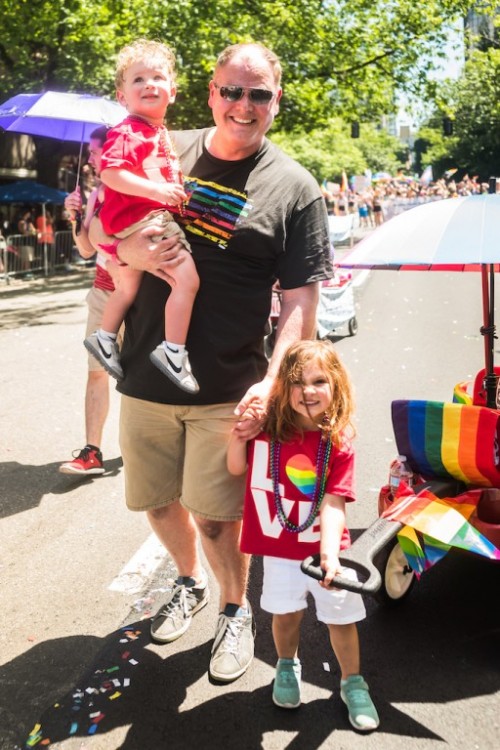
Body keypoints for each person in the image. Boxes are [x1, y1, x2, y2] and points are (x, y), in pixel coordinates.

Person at [89, 42, 333, 683]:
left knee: (218, 520)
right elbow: (95, 226)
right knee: (158, 502)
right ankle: (189, 584)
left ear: (276, 100)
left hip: (227, 383)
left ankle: (233, 611)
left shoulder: (294, 187)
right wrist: (115, 249)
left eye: (258, 94)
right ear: (210, 93)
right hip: (143, 378)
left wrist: (273, 379)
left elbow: (302, 300)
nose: (243, 105)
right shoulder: (164, 144)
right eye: (231, 91)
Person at [228, 340, 379, 730]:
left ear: (336, 387)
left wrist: (329, 555)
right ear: (283, 389)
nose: (308, 391)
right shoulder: (268, 433)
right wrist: (237, 436)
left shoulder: (338, 444)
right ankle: (286, 665)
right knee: (285, 615)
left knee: (341, 619)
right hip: (279, 549)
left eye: (318, 381)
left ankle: (353, 682)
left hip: (325, 551)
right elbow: (234, 468)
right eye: (297, 382)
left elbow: (334, 504)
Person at [84, 40, 200, 394]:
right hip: (144, 219)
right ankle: (173, 351)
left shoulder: (155, 131)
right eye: (138, 80)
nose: (149, 84)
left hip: (135, 219)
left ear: (173, 92)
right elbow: (111, 174)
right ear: (122, 96)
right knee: (187, 280)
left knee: (128, 286)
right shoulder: (129, 130)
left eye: (157, 77)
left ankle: (104, 338)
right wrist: (159, 193)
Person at [59, 126, 119, 476]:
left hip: (141, 295)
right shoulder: (95, 193)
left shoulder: (137, 189)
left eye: (97, 151)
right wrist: (76, 216)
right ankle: (91, 451)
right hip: (102, 290)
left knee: (142, 379)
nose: (92, 158)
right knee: (97, 372)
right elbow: (84, 250)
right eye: (92, 152)